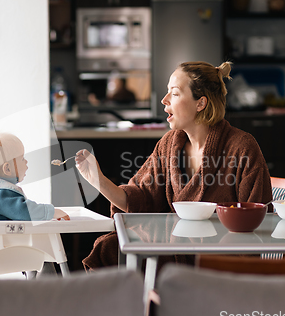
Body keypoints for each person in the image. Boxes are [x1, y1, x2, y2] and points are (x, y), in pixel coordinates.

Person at [75, 61, 272, 270]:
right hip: (175, 256)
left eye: (175, 93)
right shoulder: (169, 145)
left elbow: (258, 221)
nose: (164, 100)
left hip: (220, 263)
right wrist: (99, 181)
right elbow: (140, 199)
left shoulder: (241, 147)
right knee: (109, 248)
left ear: (200, 103)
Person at [0, 132, 70, 225]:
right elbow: (26, 212)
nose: (26, 162)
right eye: (22, 159)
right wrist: (51, 212)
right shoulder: (0, 195)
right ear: (7, 169)